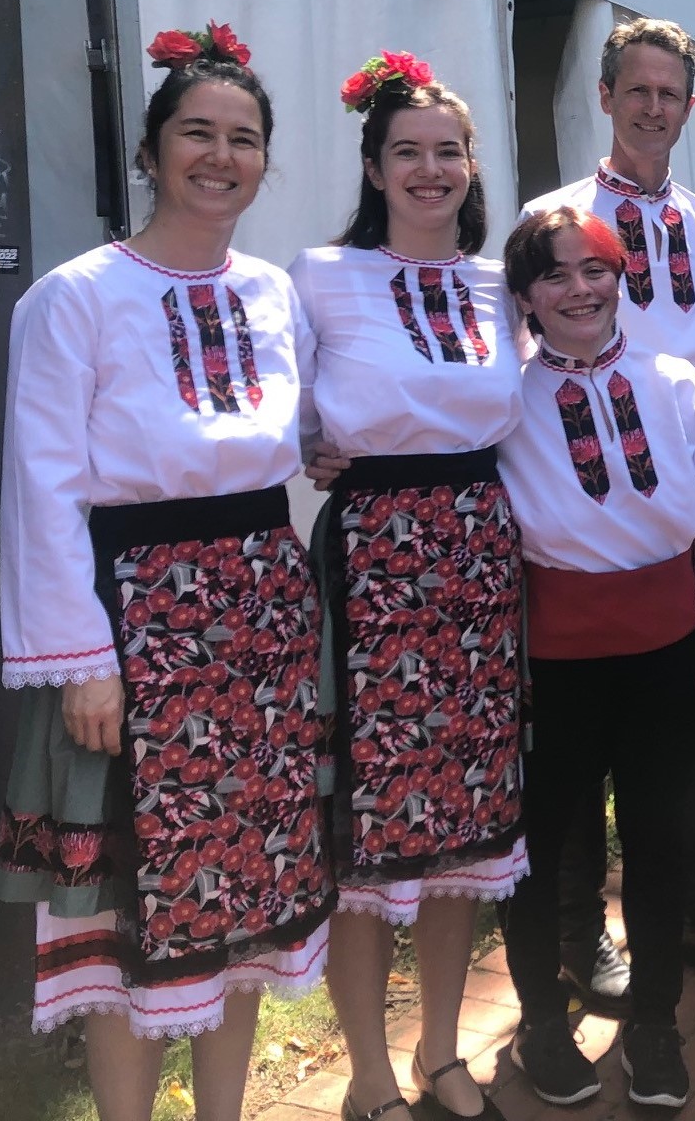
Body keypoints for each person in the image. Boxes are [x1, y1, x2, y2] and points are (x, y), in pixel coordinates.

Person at [0, 24, 332, 1121]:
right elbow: (41, 487)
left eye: (244, 137)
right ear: (150, 151)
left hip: (265, 620)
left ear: (266, 161)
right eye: (197, 131)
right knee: (132, 924)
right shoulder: (75, 296)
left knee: (249, 900)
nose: (221, 155)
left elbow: (291, 431)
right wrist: (83, 660)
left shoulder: (275, 293)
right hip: (140, 627)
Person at [521, 17, 695, 1002]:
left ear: (688, 105)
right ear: (604, 97)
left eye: (669, 93)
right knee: (576, 740)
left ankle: (692, 911)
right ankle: (576, 932)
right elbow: (507, 362)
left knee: (688, 724)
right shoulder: (554, 212)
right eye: (635, 89)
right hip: (585, 501)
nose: (652, 107)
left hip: (693, 487)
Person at [293, 54, 523, 1121]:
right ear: (374, 167)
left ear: (471, 166)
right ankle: (368, 1070)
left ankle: (439, 1047)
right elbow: (270, 395)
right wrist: (306, 439)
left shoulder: (495, 285)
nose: (431, 170)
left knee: (464, 828)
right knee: (373, 828)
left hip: (480, 558)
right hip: (376, 559)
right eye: (409, 153)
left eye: (449, 151)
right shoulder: (320, 274)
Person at [495, 205, 695, 1110]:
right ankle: (540, 1024)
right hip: (555, 665)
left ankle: (654, 1023)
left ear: (620, 278)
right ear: (523, 296)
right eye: (555, 275)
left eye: (595, 269)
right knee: (538, 848)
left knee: (659, 844)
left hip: (666, 654)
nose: (579, 290)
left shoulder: (672, 380)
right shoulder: (503, 398)